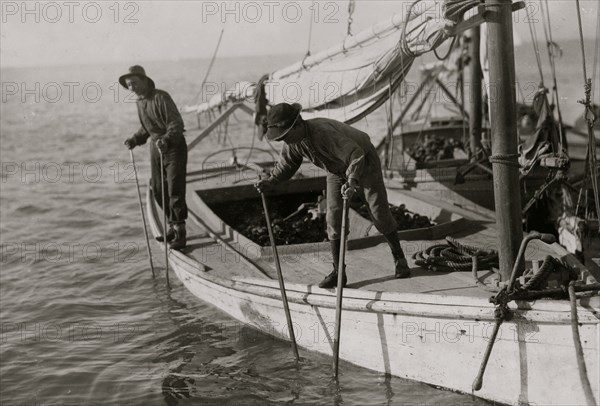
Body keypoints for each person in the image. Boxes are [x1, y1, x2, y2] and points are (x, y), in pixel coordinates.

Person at [255, 103, 410, 288]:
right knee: (333, 217)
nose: (285, 142)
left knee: (379, 212)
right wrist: (271, 181)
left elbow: (355, 154)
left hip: (363, 160)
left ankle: (399, 259)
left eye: (285, 136)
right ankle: (338, 272)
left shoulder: (323, 132)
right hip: (335, 169)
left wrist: (352, 181)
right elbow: (287, 165)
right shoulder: (293, 142)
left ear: (297, 124)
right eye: (281, 139)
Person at [120, 65, 188, 250]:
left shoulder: (161, 97)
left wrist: (166, 139)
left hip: (174, 147)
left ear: (144, 81)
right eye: (128, 85)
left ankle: (181, 233)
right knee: (158, 190)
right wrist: (134, 139)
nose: (131, 88)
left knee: (175, 188)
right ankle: (172, 227)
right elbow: (147, 128)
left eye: (134, 83)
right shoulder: (140, 103)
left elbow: (176, 123)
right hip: (155, 148)